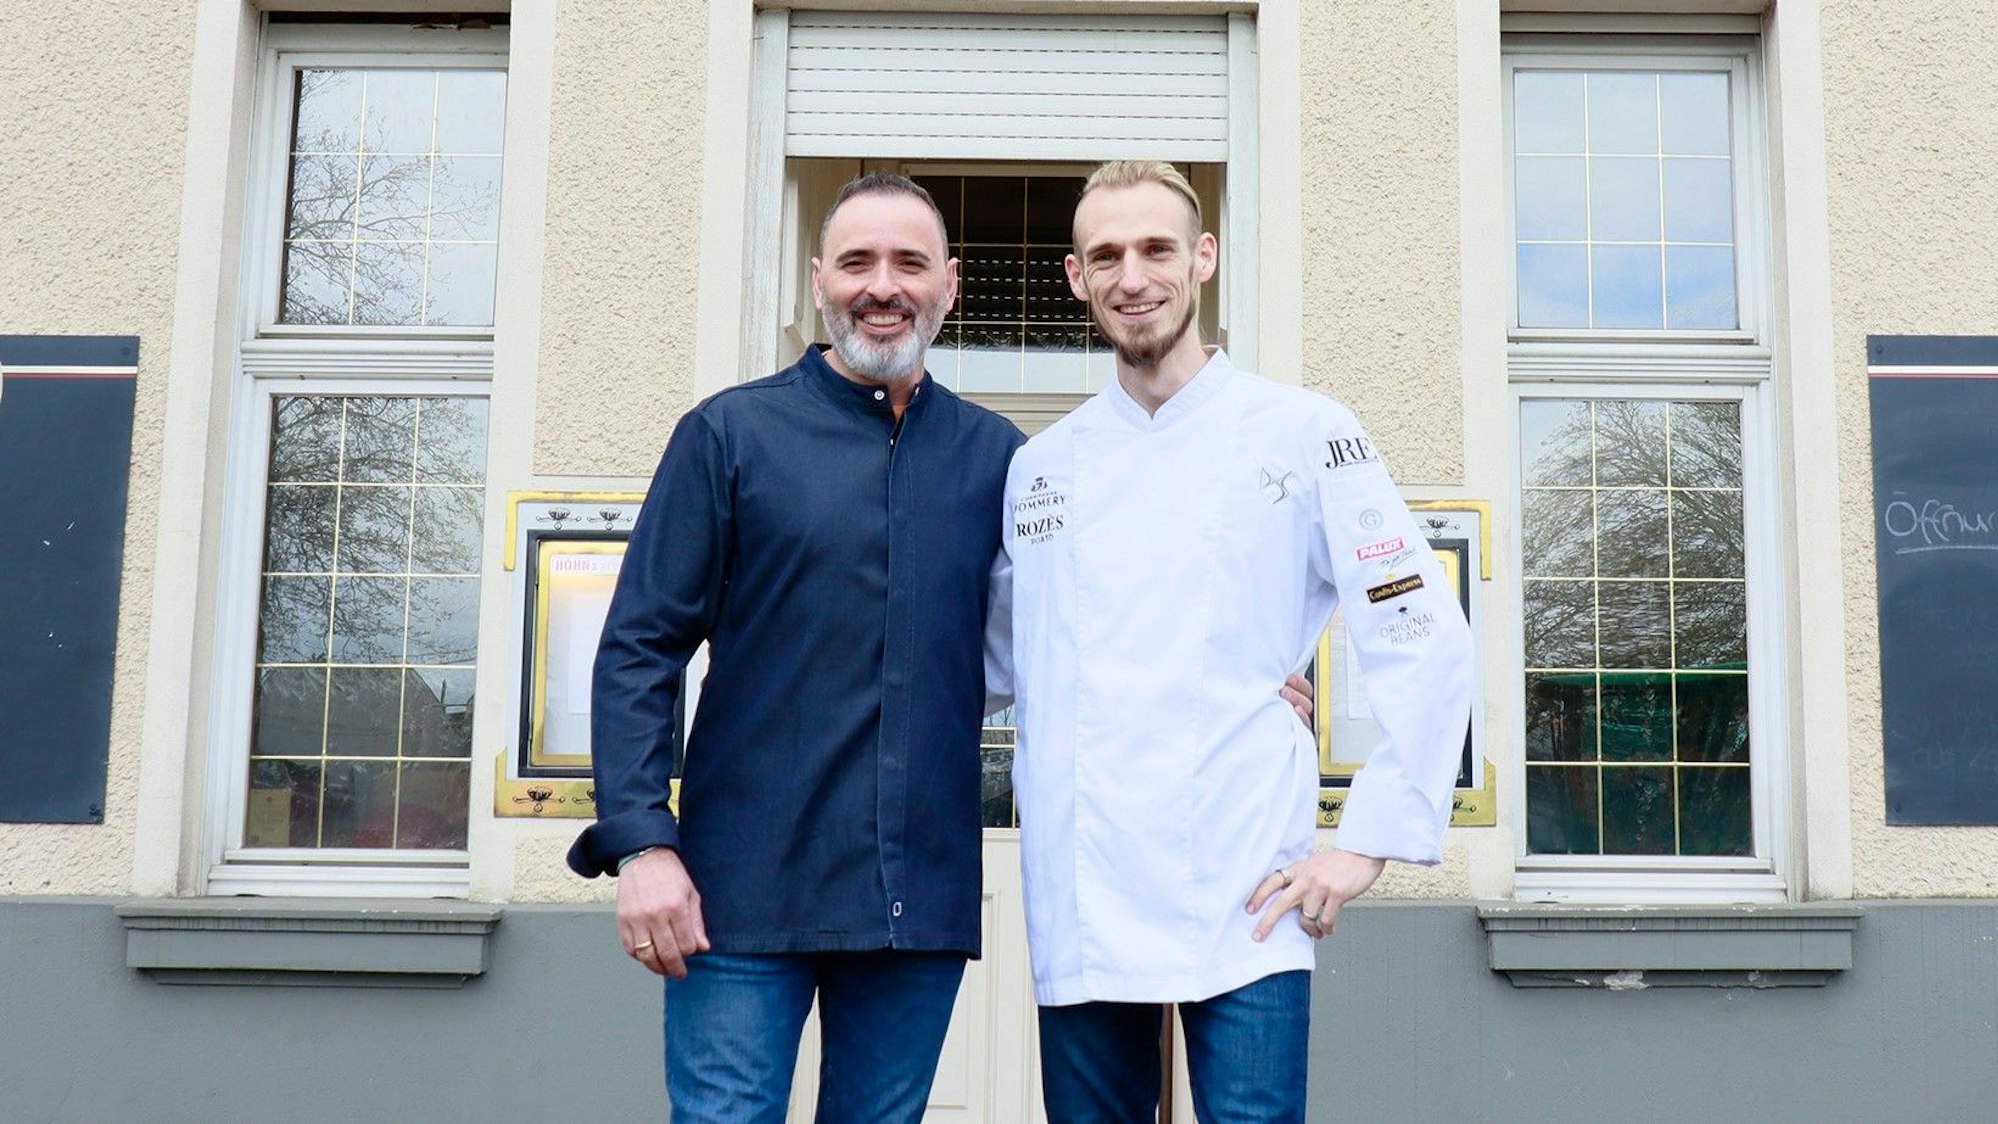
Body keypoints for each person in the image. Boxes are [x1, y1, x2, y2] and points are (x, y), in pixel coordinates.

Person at [987, 160, 1475, 1122]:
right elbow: (994, 663)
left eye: (1157, 248)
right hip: (1083, 888)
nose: (1134, 276)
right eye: (1106, 255)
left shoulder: (1304, 432)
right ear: (1078, 279)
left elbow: (1420, 629)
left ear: (1203, 259)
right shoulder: (1040, 470)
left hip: (1248, 884)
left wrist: (1365, 843)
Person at [567, 173, 1024, 1123]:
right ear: (818, 280)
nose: (882, 285)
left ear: (951, 283)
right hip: (739, 895)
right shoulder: (730, 436)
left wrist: (1240, 682)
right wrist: (643, 844)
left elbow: (1084, 634)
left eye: (909, 262)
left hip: (918, 901)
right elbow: (638, 650)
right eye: (857, 261)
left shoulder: (1000, 461)